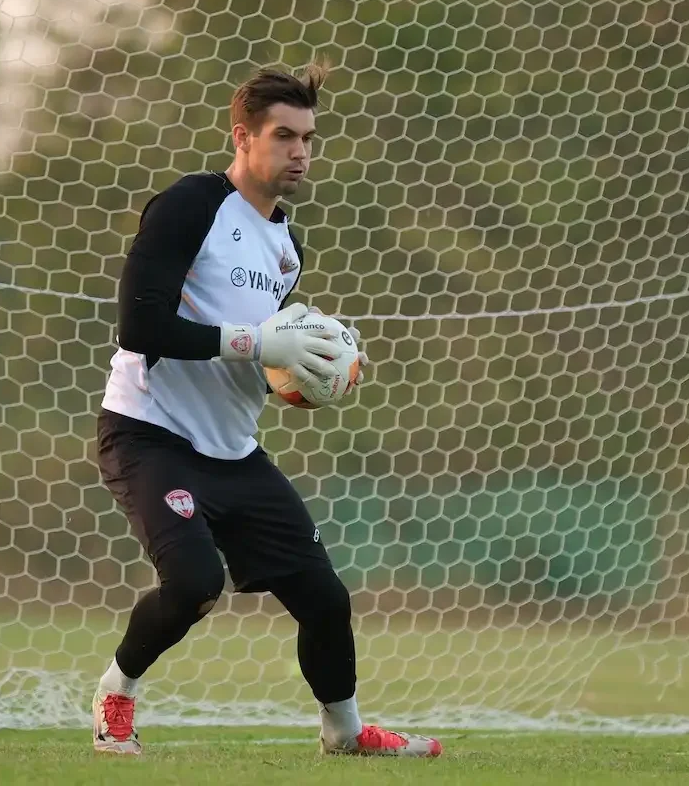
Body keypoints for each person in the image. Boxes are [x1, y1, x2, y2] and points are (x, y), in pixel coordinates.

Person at [92, 60, 443, 758]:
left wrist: (306, 379)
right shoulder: (190, 206)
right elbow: (142, 326)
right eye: (285, 136)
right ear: (243, 137)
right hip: (149, 433)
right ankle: (115, 694)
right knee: (194, 583)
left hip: (234, 449)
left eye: (309, 139)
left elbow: (260, 358)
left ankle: (345, 734)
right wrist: (257, 340)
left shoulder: (287, 246)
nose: (301, 153)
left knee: (326, 600)